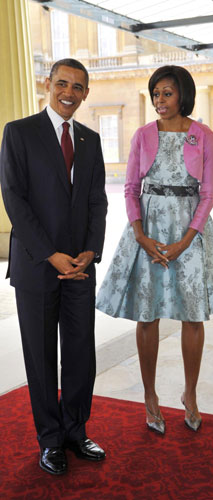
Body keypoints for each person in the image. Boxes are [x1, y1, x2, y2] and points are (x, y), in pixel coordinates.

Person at [96, 65, 213, 434]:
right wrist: (141, 236)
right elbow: (130, 188)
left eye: (168, 93)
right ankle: (150, 396)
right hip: (150, 229)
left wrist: (186, 240)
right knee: (148, 314)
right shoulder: (143, 135)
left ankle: (190, 395)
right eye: (156, 93)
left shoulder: (203, 135)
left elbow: (208, 194)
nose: (160, 100)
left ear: (183, 94)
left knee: (194, 317)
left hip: (190, 231)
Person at [0, 59, 108, 475]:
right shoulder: (19, 132)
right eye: (62, 83)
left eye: (78, 86)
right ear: (48, 84)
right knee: (41, 357)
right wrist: (50, 253)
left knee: (81, 353)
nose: (69, 91)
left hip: (80, 266)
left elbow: (97, 201)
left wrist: (91, 251)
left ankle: (75, 432)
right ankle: (49, 440)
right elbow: (14, 198)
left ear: (85, 92)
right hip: (36, 266)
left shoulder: (92, 140)